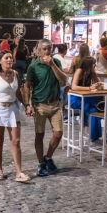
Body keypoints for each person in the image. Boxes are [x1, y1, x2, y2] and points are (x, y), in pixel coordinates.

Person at [24, 40, 67, 177]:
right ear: (38, 50)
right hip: (40, 105)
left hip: (55, 104)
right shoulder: (33, 66)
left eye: (49, 48)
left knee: (58, 133)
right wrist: (28, 104)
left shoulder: (56, 62)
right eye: (44, 49)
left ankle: (48, 157)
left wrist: (52, 64)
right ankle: (40, 163)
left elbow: (63, 80)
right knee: (39, 135)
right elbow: (27, 85)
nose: (47, 51)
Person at [0, 50, 29, 182]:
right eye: (6, 58)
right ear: (0, 61)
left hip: (12, 109)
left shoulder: (16, 74)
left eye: (11, 58)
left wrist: (26, 104)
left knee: (16, 141)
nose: (10, 60)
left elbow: (17, 92)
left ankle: (19, 172)